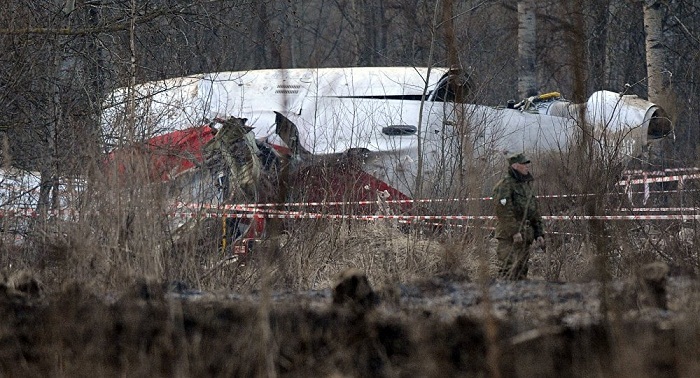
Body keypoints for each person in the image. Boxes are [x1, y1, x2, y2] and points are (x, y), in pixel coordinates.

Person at [492, 153, 544, 280]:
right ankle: (503, 298)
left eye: (527, 164)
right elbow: (503, 211)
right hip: (509, 237)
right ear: (515, 166)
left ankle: (519, 299)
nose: (527, 167)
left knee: (522, 270)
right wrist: (514, 231)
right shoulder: (504, 185)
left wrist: (539, 233)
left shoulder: (525, 186)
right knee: (509, 270)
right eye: (524, 164)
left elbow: (533, 210)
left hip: (525, 236)